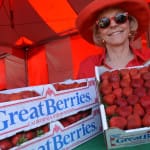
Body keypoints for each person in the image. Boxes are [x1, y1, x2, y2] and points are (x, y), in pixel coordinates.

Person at [76, 0, 150, 79]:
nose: (113, 25)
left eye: (120, 18)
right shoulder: (88, 66)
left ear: (130, 24)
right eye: (104, 22)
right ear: (98, 33)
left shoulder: (148, 56)